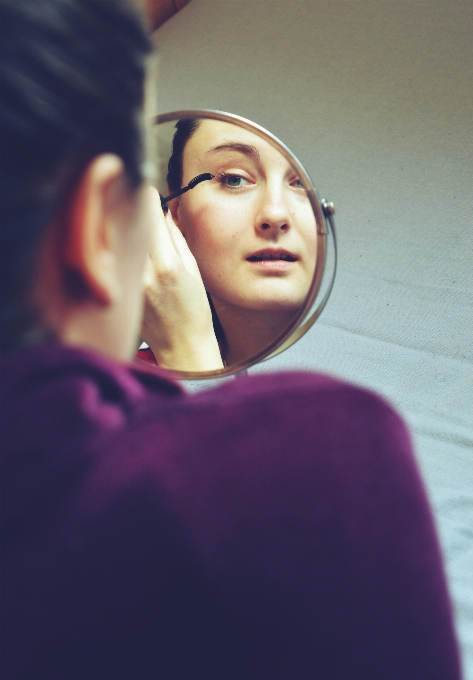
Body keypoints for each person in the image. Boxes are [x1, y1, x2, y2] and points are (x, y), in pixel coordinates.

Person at [0, 1, 461, 678]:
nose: (276, 213)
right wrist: (189, 349)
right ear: (145, 220)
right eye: (233, 178)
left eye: (300, 189)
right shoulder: (314, 448)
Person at [139, 117, 318, 368]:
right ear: (176, 210)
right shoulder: (112, 387)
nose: (276, 215)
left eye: (302, 183)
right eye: (234, 179)